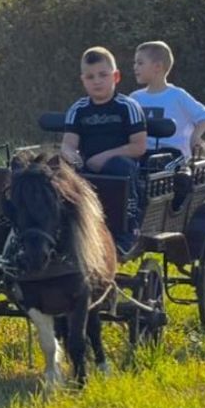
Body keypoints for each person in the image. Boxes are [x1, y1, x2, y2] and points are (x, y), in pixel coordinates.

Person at [61, 46, 147, 254]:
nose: (97, 81)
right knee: (60, 174)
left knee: (120, 167)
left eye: (103, 75)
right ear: (83, 80)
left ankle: (129, 229)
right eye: (90, 77)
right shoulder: (78, 109)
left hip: (122, 166)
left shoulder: (128, 106)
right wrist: (72, 157)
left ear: (115, 77)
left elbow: (139, 146)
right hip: (87, 166)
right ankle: (69, 230)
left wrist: (105, 157)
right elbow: (68, 144)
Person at [131, 40, 205, 159]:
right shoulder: (135, 98)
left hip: (174, 156)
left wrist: (195, 137)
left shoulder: (177, 95)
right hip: (144, 156)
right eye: (135, 63)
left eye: (140, 63)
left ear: (158, 66)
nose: (135, 67)